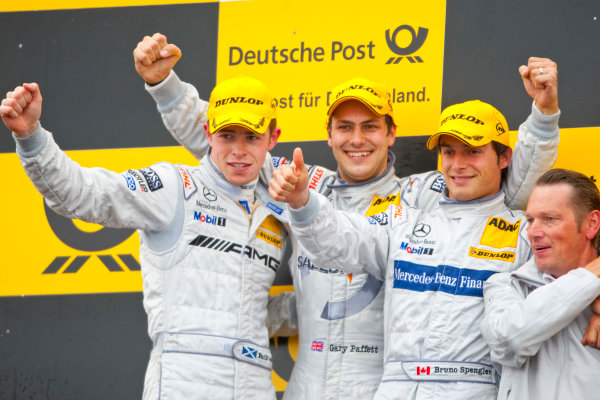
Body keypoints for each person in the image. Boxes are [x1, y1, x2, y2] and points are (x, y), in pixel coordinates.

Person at [133, 33, 561, 399]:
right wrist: (166, 87)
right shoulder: (303, 182)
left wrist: (542, 119)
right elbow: (230, 148)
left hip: (377, 383)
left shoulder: (418, 195)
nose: (358, 140)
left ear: (391, 133)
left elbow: (509, 183)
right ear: (330, 135)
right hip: (307, 382)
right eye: (345, 127)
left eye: (370, 126)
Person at [0, 77, 288, 399]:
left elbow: (252, 309)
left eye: (251, 137)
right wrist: (32, 138)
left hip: (256, 383)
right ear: (208, 134)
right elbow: (83, 194)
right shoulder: (174, 186)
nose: (238, 150)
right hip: (184, 380)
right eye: (226, 135)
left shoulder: (278, 207)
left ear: (272, 139)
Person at [269, 98, 548, 399]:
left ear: (504, 158)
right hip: (394, 389)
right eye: (449, 152)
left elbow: (562, 290)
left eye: (473, 152)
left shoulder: (523, 232)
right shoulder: (403, 218)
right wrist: (302, 201)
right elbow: (341, 238)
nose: (458, 164)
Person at [480, 168, 600, 400]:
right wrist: (590, 278)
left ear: (592, 224)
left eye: (549, 219)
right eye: (530, 219)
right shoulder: (505, 285)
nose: (532, 231)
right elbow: (508, 342)